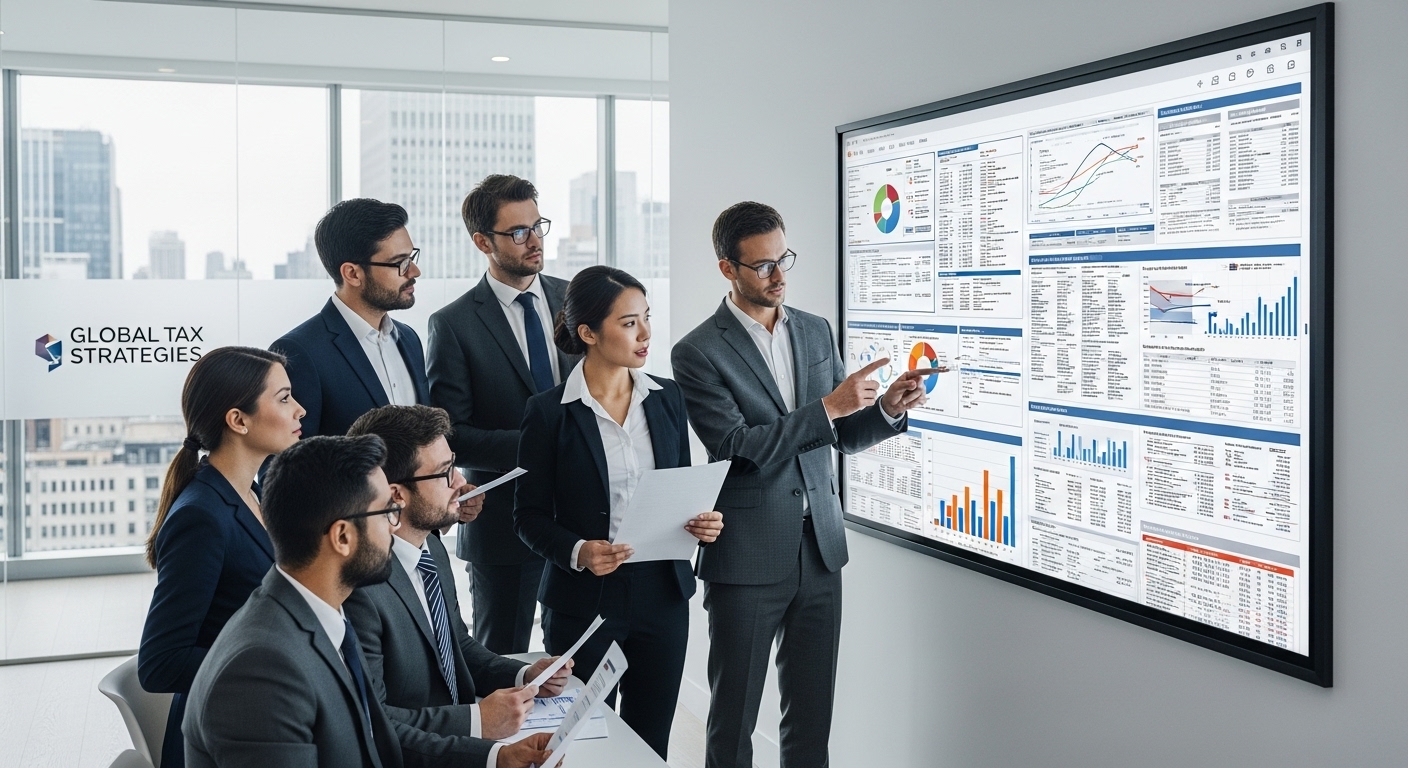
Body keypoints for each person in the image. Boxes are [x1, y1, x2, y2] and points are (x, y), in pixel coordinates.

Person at [671, 202, 934, 768]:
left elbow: (836, 436)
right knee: (734, 717)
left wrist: (885, 409)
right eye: (763, 266)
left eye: (783, 259)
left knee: (812, 715)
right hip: (747, 556)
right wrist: (829, 407)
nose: (779, 275)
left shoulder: (814, 330)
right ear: (728, 270)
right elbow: (737, 449)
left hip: (821, 551)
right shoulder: (697, 351)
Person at [181, 435, 554, 768]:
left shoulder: (321, 615)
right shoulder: (263, 670)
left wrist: (496, 759)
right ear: (342, 537)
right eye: (386, 512)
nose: (395, 526)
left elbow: (378, 735)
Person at [515, 265, 725, 758]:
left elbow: (682, 489)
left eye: (647, 318)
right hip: (585, 602)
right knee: (583, 742)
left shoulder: (668, 397)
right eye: (630, 323)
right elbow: (527, 517)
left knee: (651, 743)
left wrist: (703, 522)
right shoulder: (548, 412)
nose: (646, 333)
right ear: (588, 333)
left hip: (664, 596)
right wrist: (579, 550)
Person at [344, 405, 574, 751]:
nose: (461, 483)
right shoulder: (357, 587)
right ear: (396, 495)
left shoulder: (430, 551)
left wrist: (524, 675)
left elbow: (455, 645)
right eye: (444, 473)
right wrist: (478, 720)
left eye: (454, 466)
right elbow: (372, 721)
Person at [427, 175, 579, 654]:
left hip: (582, 516)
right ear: (482, 241)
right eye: (517, 232)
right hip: (503, 524)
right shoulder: (453, 324)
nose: (534, 240)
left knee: (578, 659)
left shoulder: (574, 299)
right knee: (501, 659)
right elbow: (455, 435)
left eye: (538, 226)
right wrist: (546, 445)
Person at [138, 346, 305, 768]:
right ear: (238, 420)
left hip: (265, 721)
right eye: (283, 398)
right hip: (224, 739)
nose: (300, 410)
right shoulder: (201, 515)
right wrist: (276, 668)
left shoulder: (254, 491)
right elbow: (161, 663)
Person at [271, 198, 429, 440]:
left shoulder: (409, 339)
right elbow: (284, 466)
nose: (414, 271)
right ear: (352, 274)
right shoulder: (299, 352)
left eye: (412, 257)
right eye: (400, 263)